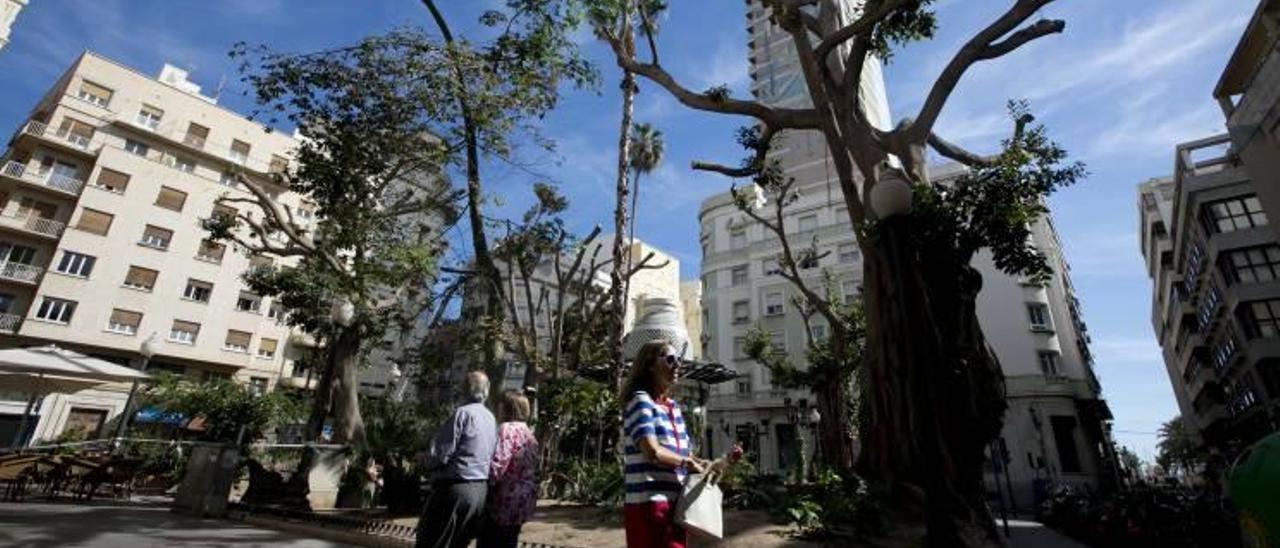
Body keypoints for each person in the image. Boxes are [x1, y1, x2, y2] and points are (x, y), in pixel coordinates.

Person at [621, 340, 741, 548]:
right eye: (669, 359)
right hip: (649, 506)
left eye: (678, 360)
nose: (677, 365)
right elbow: (653, 452)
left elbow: (689, 460)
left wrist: (724, 461)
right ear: (649, 365)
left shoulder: (672, 408)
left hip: (676, 508)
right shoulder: (641, 401)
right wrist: (687, 462)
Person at [416, 371, 497, 548]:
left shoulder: (462, 414)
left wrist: (423, 459)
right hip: (479, 491)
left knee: (433, 541)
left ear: (464, 390)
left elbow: (440, 455)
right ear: (487, 391)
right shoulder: (491, 418)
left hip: (455, 488)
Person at [477, 390, 540, 548]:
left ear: (507, 408)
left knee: (491, 540)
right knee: (510, 540)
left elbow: (498, 464)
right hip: (523, 499)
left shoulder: (506, 430)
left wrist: (482, 485)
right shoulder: (528, 433)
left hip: (504, 498)